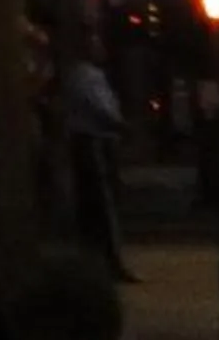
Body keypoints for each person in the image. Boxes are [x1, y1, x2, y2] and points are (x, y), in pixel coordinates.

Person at [62, 47, 136, 283]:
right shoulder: (89, 76)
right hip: (94, 141)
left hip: (87, 140)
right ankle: (110, 261)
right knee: (105, 206)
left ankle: (93, 262)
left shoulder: (77, 75)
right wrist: (120, 124)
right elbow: (102, 107)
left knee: (92, 208)